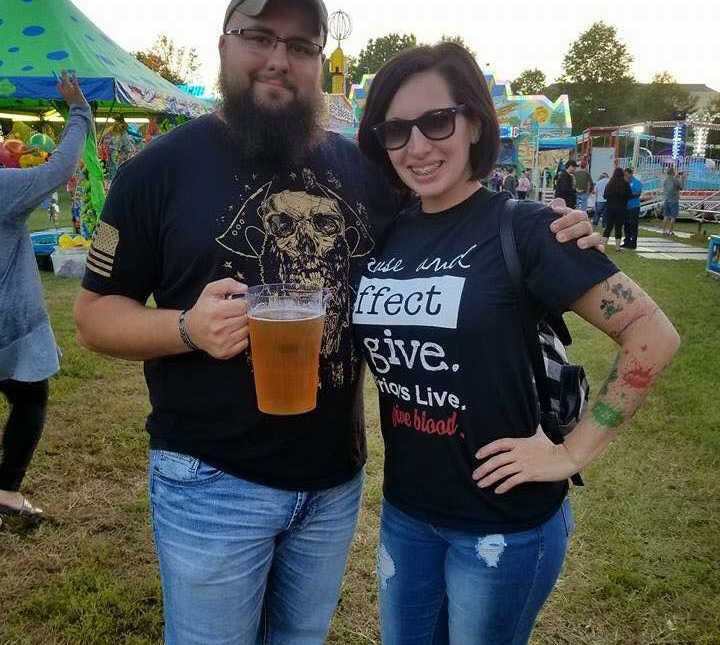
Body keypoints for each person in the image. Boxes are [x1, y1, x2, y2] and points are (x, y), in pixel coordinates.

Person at [73, 2, 599, 643]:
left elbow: (452, 218)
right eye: (259, 37)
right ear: (222, 45)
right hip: (211, 481)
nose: (278, 58)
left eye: (300, 45)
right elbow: (94, 316)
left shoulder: (366, 172)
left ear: (319, 62)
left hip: (331, 484)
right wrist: (184, 328)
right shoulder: (156, 171)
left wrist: (557, 228)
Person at [356, 43, 679, 645]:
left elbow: (652, 335)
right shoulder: (383, 235)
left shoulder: (528, 229)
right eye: (396, 130)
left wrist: (571, 453)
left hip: (502, 524)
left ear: (474, 121)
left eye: (436, 121)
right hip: (407, 514)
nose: (418, 145)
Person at [0, 71, 92, 519]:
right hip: (8, 327)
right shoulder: (2, 188)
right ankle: (6, 491)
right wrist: (78, 110)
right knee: (30, 397)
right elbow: (60, 168)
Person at [602, 167, 633, 250]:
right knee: (618, 227)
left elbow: (605, 196)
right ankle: (617, 247)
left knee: (609, 226)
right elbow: (630, 195)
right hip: (621, 208)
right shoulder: (625, 183)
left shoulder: (610, 183)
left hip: (610, 208)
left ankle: (603, 245)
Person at [623, 167, 643, 249]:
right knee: (626, 225)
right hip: (626, 207)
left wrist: (627, 193)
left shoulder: (636, 182)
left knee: (633, 225)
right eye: (625, 175)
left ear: (631, 174)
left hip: (634, 207)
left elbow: (637, 193)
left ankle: (633, 242)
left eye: (627, 175)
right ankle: (626, 241)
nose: (626, 177)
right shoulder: (625, 182)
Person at [662, 167, 683, 236]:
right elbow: (681, 187)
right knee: (673, 217)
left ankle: (664, 230)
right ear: (673, 172)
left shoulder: (665, 180)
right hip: (674, 200)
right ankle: (670, 231)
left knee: (666, 216)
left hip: (666, 199)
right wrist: (682, 178)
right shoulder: (675, 180)